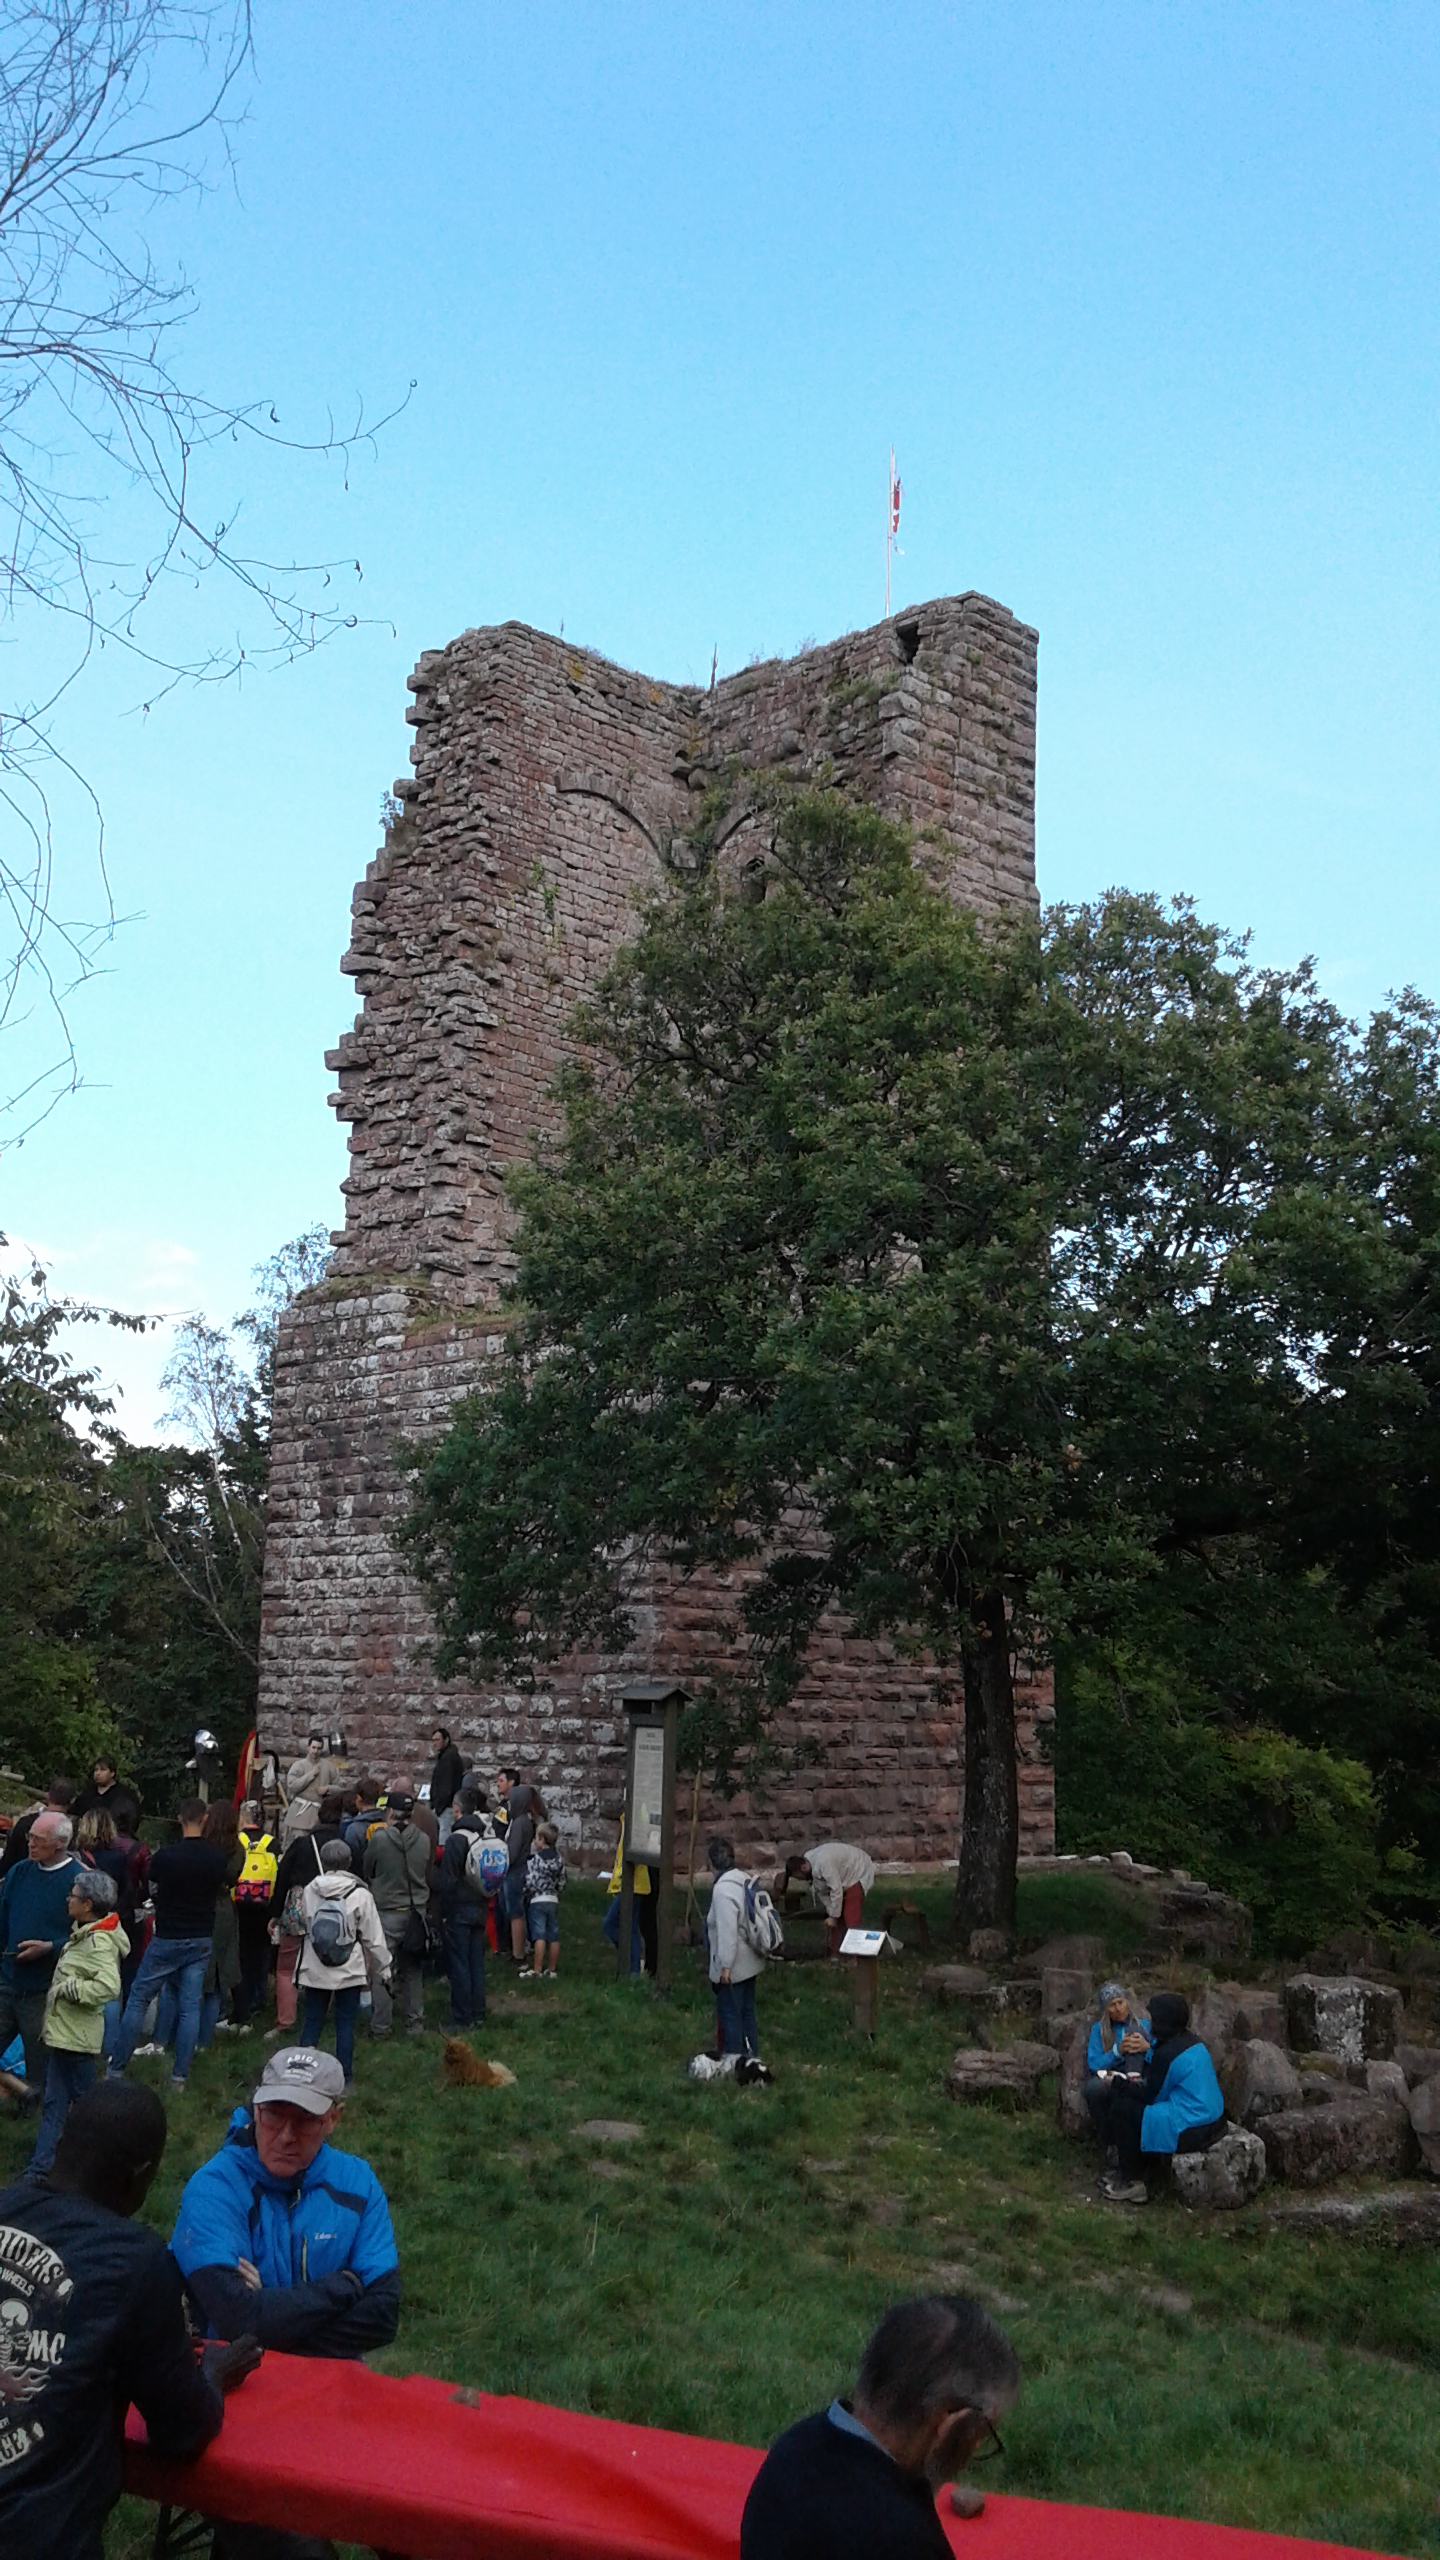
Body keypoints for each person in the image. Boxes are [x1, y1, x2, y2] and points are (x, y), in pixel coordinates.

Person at [0, 2081, 260, 2560]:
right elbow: (182, 2431)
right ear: (139, 2177)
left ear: (60, 2144)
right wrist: (212, 2374)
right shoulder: (133, 2262)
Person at [740, 2293, 1019, 2560]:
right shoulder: (904, 2542)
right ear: (948, 2421)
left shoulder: (794, 2446)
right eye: (982, 2431)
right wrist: (935, 2476)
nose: (976, 2445)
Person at [170, 2046, 401, 2356]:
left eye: (305, 2120)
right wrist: (345, 2286)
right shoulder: (214, 2187)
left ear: (333, 2118)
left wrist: (269, 2312)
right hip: (240, 2378)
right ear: (256, 2109)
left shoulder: (358, 2182)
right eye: (274, 2115)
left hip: (331, 2379)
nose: (285, 2136)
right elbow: (236, 2318)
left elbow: (382, 2318)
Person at [109, 1799, 226, 2093]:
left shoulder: (167, 1856)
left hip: (168, 1935)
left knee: (139, 1998)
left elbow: (152, 1887)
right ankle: (179, 2077)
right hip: (200, 1936)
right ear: (205, 1818)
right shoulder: (217, 1856)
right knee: (190, 2006)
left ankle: (116, 2067)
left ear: (179, 1819)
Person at [30, 1868, 127, 2174]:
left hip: (77, 2040)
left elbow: (108, 1987)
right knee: (55, 2105)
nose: (67, 1899)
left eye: (72, 1896)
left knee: (87, 2109)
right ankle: (40, 2169)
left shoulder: (97, 1943)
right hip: (65, 2036)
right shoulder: (84, 1934)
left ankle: (105, 2165)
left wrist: (70, 1989)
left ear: (87, 1905)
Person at [1102, 1990, 1226, 2204]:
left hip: (1193, 2128)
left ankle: (1133, 2181)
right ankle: (1139, 2166)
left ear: (1163, 2023)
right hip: (1213, 2117)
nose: (1150, 2024)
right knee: (1136, 2109)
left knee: (1122, 2110)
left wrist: (1117, 2082)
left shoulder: (1168, 2054)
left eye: (1154, 2019)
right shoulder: (1192, 2041)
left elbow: (1150, 2097)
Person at [0, 1810, 82, 2099]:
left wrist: (49, 1947)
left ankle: (37, 2111)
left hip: (44, 1990)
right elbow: (3, 1917)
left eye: (38, 1839)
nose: (30, 1844)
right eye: (29, 1837)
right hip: (7, 1981)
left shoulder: (78, 1881)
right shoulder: (19, 1872)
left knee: (41, 2066)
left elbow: (85, 1939)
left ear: (60, 1843)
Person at [296, 1840, 390, 2084]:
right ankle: (344, 2077)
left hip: (315, 1966)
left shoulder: (310, 1889)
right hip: (349, 1968)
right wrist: (384, 1967)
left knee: (313, 2020)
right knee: (345, 2023)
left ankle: (300, 2074)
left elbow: (306, 1922)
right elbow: (373, 1937)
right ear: (349, 1862)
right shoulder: (360, 1894)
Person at [267, 1791, 346, 2037]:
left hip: (299, 1905)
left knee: (286, 1967)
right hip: (334, 1907)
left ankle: (286, 2020)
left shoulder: (302, 1844)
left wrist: (275, 1914)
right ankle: (324, 2015)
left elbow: (282, 1877)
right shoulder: (345, 1845)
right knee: (329, 1962)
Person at [362, 1791, 431, 2037]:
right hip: (416, 1912)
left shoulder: (379, 1839)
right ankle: (415, 2023)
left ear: (390, 1812)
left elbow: (368, 1868)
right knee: (412, 1969)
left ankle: (381, 2026)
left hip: (387, 1910)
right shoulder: (423, 1839)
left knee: (383, 1969)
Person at [437, 1787, 495, 2028]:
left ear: (456, 1810)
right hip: (480, 1903)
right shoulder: (485, 1834)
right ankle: (478, 2012)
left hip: (459, 1908)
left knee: (459, 1963)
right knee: (475, 1962)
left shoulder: (456, 1840)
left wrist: (442, 1912)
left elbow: (448, 1880)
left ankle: (462, 2016)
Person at [706, 1835, 765, 2064]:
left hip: (735, 1964)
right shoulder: (744, 1879)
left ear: (712, 1864)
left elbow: (727, 1930)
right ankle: (752, 2059)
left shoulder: (722, 1890)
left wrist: (725, 1966)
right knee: (747, 2012)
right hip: (751, 1959)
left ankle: (734, 2061)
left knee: (730, 2013)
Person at [1083, 1982, 1151, 2157]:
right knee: (1094, 2089)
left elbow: (1161, 2055)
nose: (1119, 2008)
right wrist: (1117, 2051)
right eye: (1112, 2005)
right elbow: (1094, 2063)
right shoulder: (1098, 2030)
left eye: (1121, 2002)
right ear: (1105, 2010)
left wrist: (1146, 2048)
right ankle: (1110, 2142)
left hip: (1142, 2071)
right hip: (1113, 2074)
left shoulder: (1145, 2025)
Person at [785, 1842, 877, 1958]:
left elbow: (836, 1889)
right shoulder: (810, 1866)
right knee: (837, 1916)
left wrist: (834, 1916)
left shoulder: (823, 1863)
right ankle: (835, 1952)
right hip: (841, 1876)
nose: (800, 1880)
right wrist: (832, 1913)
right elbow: (823, 1893)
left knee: (850, 1915)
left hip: (856, 1870)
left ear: (803, 1868)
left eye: (799, 1877)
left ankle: (855, 1955)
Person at [233, 1801, 278, 2025]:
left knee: (241, 1953)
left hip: (239, 1905)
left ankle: (240, 2000)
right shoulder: (272, 1843)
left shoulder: (237, 1841)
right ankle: (258, 1998)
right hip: (264, 1906)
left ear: (243, 1818)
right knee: (261, 1953)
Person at [0, 1778, 78, 1878]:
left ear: (47, 1796)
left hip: (19, 1877)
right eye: (31, 1837)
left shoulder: (26, 1822)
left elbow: (8, 1860)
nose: (31, 1844)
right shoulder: (75, 1830)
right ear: (72, 1800)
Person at [502, 1781, 542, 1962]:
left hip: (515, 1871)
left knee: (515, 1913)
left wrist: (503, 1862)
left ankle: (518, 1953)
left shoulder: (519, 1823)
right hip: (521, 1868)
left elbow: (513, 1851)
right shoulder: (524, 1821)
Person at [280, 1733, 339, 1851]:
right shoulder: (299, 1765)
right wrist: (310, 1775)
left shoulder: (329, 1767)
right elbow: (292, 1786)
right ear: (308, 1747)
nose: (315, 1751)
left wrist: (328, 1788)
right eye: (313, 1747)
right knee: (297, 1846)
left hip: (320, 1814)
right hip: (300, 1814)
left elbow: (341, 1787)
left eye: (319, 1748)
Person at [524, 1820, 566, 1980]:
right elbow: (562, 1881)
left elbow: (531, 1881)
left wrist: (526, 1892)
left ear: (541, 1840)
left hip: (537, 1900)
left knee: (539, 1935)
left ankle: (537, 1969)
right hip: (553, 1899)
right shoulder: (559, 1859)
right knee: (553, 1935)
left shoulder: (535, 1860)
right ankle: (552, 1969)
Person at [71, 1756, 141, 1839]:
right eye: (96, 1770)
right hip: (89, 1839)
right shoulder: (87, 1794)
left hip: (117, 1839)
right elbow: (76, 1814)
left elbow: (133, 1819)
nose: (98, 1773)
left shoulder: (125, 1794)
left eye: (103, 1770)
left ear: (112, 1773)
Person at [428, 1726, 464, 1833]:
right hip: (446, 1807)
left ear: (446, 1740)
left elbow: (446, 1785)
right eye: (433, 1740)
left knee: (444, 1837)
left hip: (446, 1808)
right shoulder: (447, 1756)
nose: (434, 1743)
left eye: (437, 1740)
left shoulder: (448, 1758)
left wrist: (438, 1807)